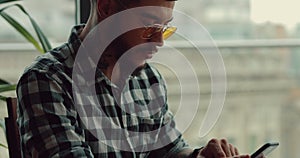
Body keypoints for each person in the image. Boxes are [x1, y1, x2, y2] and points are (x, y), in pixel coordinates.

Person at [16, 0, 250, 157]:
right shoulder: (47, 80)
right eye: (149, 25)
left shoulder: (148, 79)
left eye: (165, 27)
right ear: (106, 7)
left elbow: (169, 150)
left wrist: (199, 156)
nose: (160, 41)